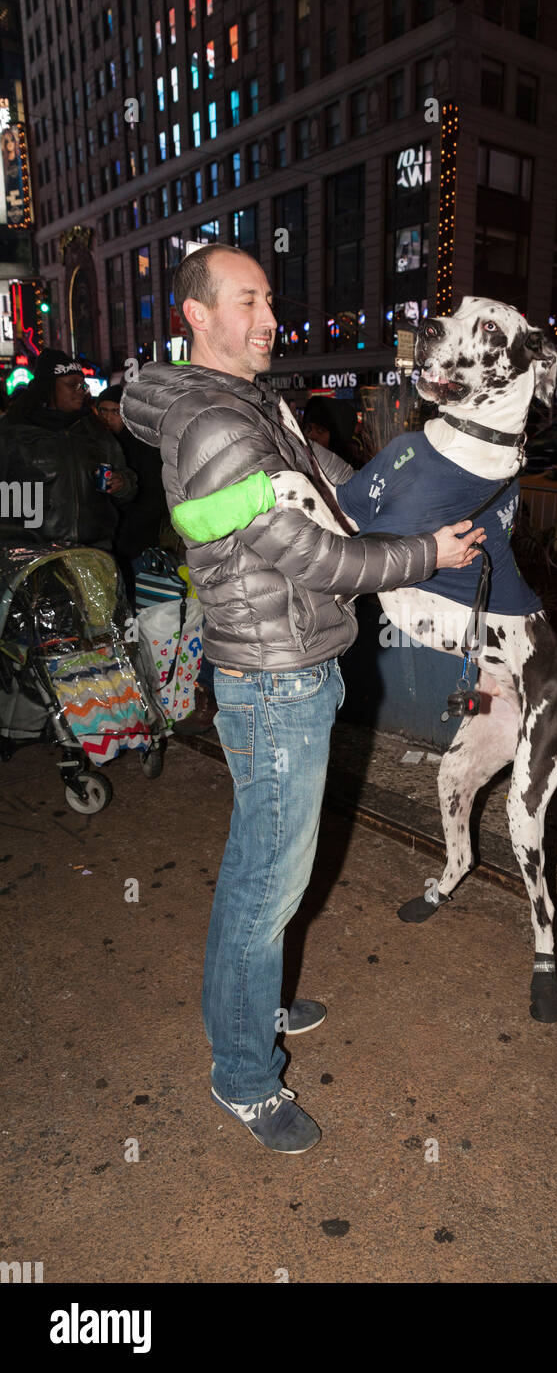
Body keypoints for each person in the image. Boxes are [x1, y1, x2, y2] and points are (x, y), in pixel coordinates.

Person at [119, 243, 484, 1155]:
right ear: (196, 316)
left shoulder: (249, 401)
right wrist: (428, 558)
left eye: (270, 298)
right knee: (263, 887)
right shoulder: (213, 421)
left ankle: (261, 999)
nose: (271, 317)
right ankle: (243, 1075)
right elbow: (314, 555)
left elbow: (319, 495)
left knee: (267, 876)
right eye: (249, 301)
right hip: (273, 681)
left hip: (293, 666)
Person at [0, 349, 136, 550]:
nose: (80, 390)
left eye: (82, 384)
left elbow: (129, 484)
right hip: (36, 558)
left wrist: (122, 483)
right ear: (48, 387)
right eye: (72, 384)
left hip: (95, 554)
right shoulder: (14, 433)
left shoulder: (95, 431)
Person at [96, 384, 168, 609]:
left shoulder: (143, 445)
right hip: (110, 537)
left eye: (115, 412)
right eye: (103, 411)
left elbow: (153, 497)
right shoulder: (97, 442)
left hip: (137, 541)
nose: (108, 418)